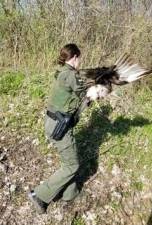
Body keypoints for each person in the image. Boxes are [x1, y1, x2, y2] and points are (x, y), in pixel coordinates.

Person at [28, 43, 90, 214]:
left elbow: (75, 97)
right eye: (80, 59)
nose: (80, 62)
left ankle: (71, 194)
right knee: (72, 165)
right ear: (75, 57)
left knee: (67, 160)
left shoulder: (60, 71)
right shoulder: (71, 75)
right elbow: (85, 91)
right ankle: (39, 195)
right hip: (60, 127)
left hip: (51, 122)